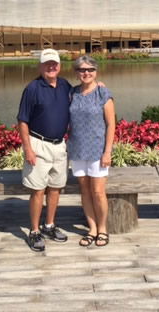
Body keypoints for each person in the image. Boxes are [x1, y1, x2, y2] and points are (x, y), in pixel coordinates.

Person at [17, 48, 71, 252]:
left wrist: (99, 85)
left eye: (54, 64)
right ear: (40, 66)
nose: (51, 67)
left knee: (56, 188)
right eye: (47, 64)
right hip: (38, 144)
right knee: (38, 190)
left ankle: (49, 225)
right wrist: (28, 149)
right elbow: (22, 121)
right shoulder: (32, 88)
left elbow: (85, 91)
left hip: (59, 145)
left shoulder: (65, 85)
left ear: (59, 65)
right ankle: (34, 231)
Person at [67, 55, 115, 247]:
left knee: (98, 192)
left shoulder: (103, 93)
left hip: (97, 150)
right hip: (78, 149)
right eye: (82, 70)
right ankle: (92, 228)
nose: (86, 73)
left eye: (90, 70)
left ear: (96, 71)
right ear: (77, 72)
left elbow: (111, 124)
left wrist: (107, 152)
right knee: (85, 192)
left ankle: (103, 229)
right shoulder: (72, 93)